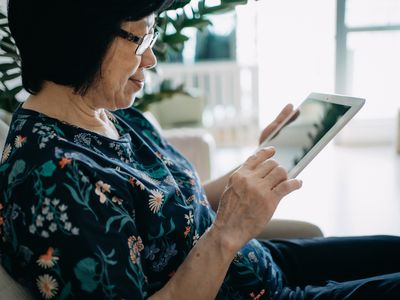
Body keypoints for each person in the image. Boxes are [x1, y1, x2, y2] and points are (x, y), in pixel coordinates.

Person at [0, 0, 399, 299]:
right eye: (140, 39)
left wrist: (257, 163)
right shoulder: (51, 181)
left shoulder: (108, 112)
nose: (151, 58)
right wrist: (226, 234)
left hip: (259, 264)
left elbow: (172, 205)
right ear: (81, 40)